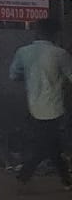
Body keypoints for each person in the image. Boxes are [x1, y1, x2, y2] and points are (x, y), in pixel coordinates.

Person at [9, 16, 72, 188]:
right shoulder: (60, 54)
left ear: (37, 32)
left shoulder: (23, 52)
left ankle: (65, 179)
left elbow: (14, 75)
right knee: (48, 145)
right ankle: (25, 175)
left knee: (50, 144)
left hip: (32, 104)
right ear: (55, 34)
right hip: (54, 106)